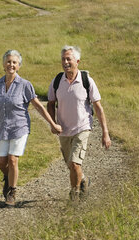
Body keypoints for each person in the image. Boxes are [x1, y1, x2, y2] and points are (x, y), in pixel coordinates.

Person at [0, 50, 62, 206]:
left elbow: (39, 107)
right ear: (4, 64)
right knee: (2, 163)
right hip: (1, 128)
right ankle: (8, 177)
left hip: (19, 127)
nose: (11, 64)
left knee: (13, 160)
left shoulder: (25, 85)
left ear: (19, 66)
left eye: (14, 62)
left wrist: (53, 123)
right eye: (8, 61)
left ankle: (11, 192)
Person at [47, 45, 111, 201]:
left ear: (77, 61)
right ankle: (83, 180)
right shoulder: (57, 81)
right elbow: (50, 103)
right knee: (71, 165)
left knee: (75, 163)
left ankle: (74, 196)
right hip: (63, 130)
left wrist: (105, 133)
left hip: (82, 127)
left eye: (69, 59)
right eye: (63, 59)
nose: (65, 62)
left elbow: (98, 108)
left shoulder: (86, 80)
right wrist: (52, 123)